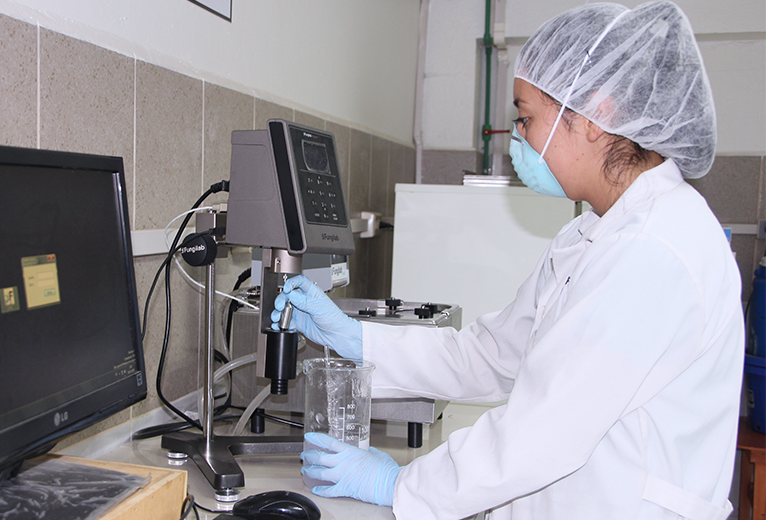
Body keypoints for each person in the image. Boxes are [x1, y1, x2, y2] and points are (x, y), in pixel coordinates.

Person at [272, 2, 745, 519]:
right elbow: (494, 355)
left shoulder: (653, 249)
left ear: (597, 114)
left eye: (527, 118)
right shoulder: (592, 233)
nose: (519, 138)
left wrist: (403, 483)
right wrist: (356, 338)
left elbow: (546, 431)